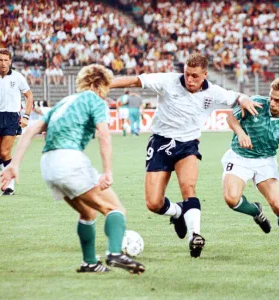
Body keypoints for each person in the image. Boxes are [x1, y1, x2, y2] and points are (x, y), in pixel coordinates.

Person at [0, 64, 145, 274]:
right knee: (115, 209)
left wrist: (14, 164)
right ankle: (114, 253)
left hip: (48, 164)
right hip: (69, 160)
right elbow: (104, 135)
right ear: (99, 84)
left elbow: (32, 129)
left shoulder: (64, 101)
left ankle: (90, 262)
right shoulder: (95, 100)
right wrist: (107, 171)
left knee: (87, 212)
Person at [110, 53, 260, 258]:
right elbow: (137, 80)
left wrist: (243, 98)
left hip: (188, 145)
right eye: (187, 74)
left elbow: (236, 97)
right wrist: (107, 85)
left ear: (205, 75)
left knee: (188, 187)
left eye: (195, 76)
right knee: (153, 203)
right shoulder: (168, 81)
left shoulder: (214, 93)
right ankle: (178, 213)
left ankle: (195, 236)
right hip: (160, 142)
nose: (189, 79)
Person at [222, 77, 279, 255]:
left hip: (265, 161)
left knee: (277, 205)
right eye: (271, 98)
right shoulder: (256, 104)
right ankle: (255, 210)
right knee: (231, 199)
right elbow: (230, 118)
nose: (272, 103)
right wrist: (240, 133)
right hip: (240, 156)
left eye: (278, 100)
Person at [0, 48, 34, 195]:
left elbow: (29, 96)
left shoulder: (18, 77)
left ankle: (9, 186)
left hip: (11, 117)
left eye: (6, 60)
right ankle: (7, 174)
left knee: (4, 152)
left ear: (10, 61)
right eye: (0, 60)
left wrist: (26, 116)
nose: (3, 63)